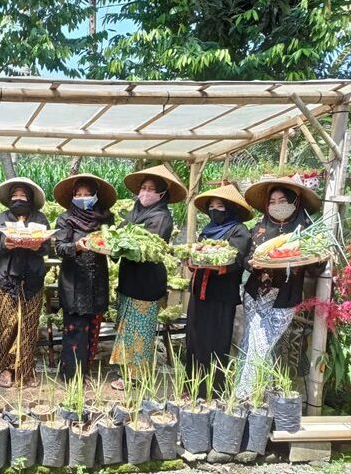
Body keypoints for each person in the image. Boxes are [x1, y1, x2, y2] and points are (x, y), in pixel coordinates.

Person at [236, 177, 322, 398]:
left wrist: (312, 258)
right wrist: (251, 264)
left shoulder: (306, 233)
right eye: (272, 201)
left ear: (295, 202)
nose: (276, 205)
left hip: (284, 299)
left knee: (260, 347)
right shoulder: (259, 230)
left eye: (282, 200)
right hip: (254, 296)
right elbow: (245, 258)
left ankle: (243, 397)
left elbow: (316, 270)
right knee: (249, 346)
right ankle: (257, 398)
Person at [110, 165, 187, 390]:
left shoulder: (161, 217)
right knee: (127, 326)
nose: (145, 192)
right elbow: (120, 234)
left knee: (140, 328)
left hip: (146, 281)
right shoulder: (135, 211)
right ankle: (126, 370)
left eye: (151, 189)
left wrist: (120, 245)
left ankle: (136, 376)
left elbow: (144, 247)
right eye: (143, 188)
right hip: (129, 279)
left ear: (162, 194)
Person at [185, 184, 252, 396]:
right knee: (194, 339)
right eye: (211, 206)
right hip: (198, 294)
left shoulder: (239, 231)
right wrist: (192, 260)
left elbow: (236, 259)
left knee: (214, 342)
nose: (215, 210)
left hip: (220, 297)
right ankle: (190, 386)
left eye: (220, 206)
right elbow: (195, 258)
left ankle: (212, 391)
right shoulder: (207, 230)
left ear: (230, 208)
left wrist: (213, 260)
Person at [0, 177, 51, 388]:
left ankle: (27, 368)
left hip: (33, 278)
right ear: (9, 199)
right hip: (7, 278)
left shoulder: (40, 219)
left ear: (30, 198)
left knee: (30, 325)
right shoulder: (0, 219)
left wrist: (37, 247)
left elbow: (48, 248)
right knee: (8, 325)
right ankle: (7, 368)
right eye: (14, 195)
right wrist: (6, 244)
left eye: (23, 195)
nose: (18, 198)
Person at [54, 174, 116, 380]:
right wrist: (77, 247)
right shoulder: (65, 219)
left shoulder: (106, 218)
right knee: (75, 329)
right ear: (72, 196)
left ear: (95, 196)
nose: (83, 198)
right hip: (74, 281)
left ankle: (86, 370)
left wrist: (111, 248)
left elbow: (114, 246)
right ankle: (71, 375)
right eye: (78, 194)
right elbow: (60, 248)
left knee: (92, 328)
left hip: (96, 280)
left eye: (87, 194)